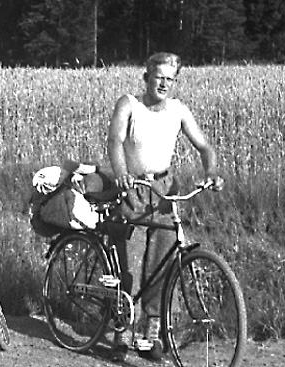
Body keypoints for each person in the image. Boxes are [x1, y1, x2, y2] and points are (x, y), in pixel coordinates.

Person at [106, 52, 224, 362]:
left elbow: (204, 146)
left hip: (163, 194)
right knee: (128, 266)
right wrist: (121, 174)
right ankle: (121, 333)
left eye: (170, 79)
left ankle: (150, 337)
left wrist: (211, 171)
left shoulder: (177, 110)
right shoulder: (129, 104)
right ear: (146, 77)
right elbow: (115, 141)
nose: (164, 84)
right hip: (133, 189)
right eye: (159, 77)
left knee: (161, 264)